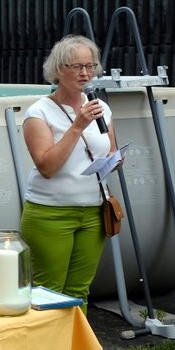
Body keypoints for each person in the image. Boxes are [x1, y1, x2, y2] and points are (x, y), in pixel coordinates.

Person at [20, 35, 119, 313]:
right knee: (47, 293)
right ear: (58, 69)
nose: (85, 73)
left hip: (94, 212)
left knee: (79, 291)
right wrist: (77, 126)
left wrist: (115, 160)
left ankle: (76, 343)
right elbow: (47, 167)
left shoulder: (101, 107)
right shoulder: (38, 112)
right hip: (50, 214)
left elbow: (110, 151)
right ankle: (47, 343)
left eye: (90, 66)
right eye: (76, 66)